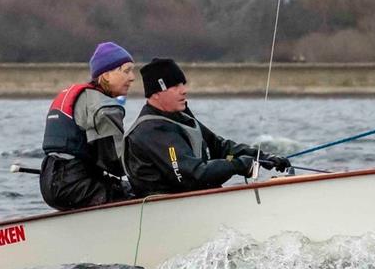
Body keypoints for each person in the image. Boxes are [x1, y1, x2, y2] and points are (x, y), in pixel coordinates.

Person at [123, 58, 290, 197]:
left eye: (183, 84)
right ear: (156, 93)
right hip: (166, 212)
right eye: (175, 86)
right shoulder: (151, 131)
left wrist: (261, 156)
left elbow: (219, 147)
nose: (184, 91)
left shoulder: (182, 117)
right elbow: (194, 174)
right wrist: (238, 165)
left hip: (195, 204)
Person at [39, 42, 136, 210]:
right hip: (74, 184)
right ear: (106, 75)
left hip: (49, 181)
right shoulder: (103, 106)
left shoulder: (77, 96)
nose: (132, 77)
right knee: (137, 193)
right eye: (126, 71)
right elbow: (116, 163)